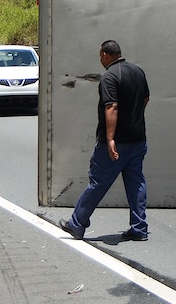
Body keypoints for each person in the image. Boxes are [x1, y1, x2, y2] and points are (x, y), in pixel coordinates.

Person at [59, 40, 150, 241]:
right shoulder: (138, 72)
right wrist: (134, 117)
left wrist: (110, 139)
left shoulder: (110, 76)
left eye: (100, 55)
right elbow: (145, 100)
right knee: (136, 182)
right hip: (138, 138)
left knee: (98, 181)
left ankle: (77, 223)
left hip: (117, 141)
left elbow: (111, 107)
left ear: (105, 55)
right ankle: (139, 228)